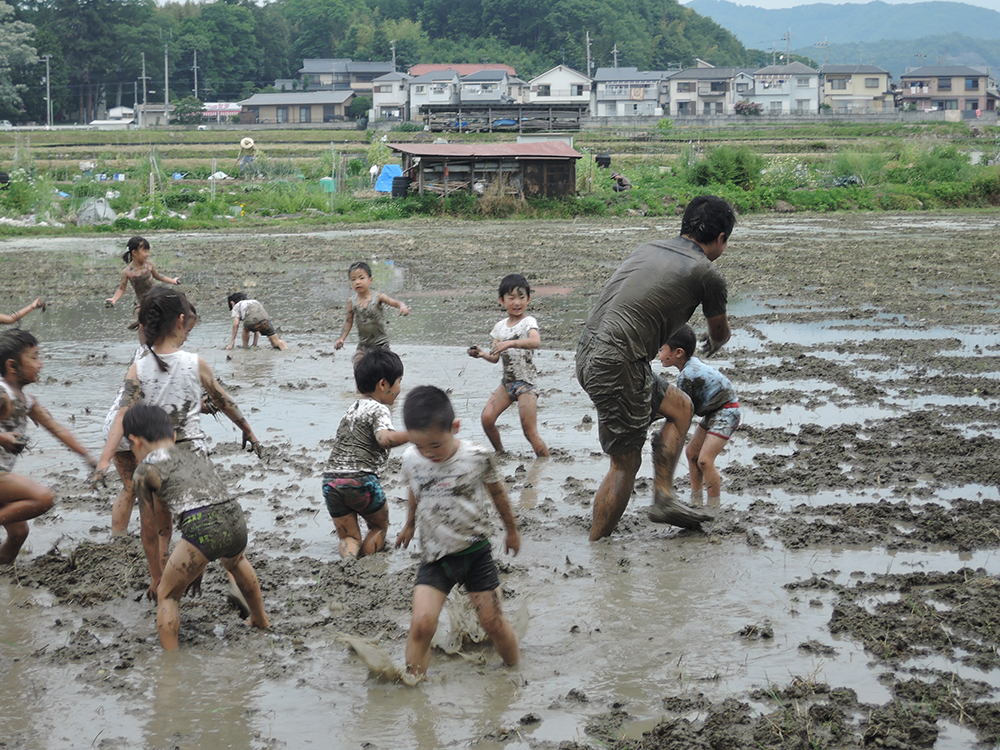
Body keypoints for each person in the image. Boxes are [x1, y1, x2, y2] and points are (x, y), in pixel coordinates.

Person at [575, 195, 736, 540]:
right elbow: (718, 333)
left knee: (681, 406)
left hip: (589, 352)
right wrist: (717, 340)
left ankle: (663, 496)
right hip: (618, 363)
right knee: (624, 463)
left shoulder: (647, 248)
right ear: (721, 238)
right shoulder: (707, 273)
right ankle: (597, 549)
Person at [93, 286, 262, 533]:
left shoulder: (141, 361)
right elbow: (224, 401)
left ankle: (132, 546)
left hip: (127, 431)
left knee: (139, 495)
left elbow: (132, 410)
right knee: (181, 505)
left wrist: (104, 460)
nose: (188, 336)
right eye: (188, 330)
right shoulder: (189, 362)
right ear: (180, 323)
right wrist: (247, 429)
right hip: (149, 436)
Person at [395, 385, 521, 679]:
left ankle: (514, 674)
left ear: (455, 427)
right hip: (435, 558)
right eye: (420, 446)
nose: (428, 454)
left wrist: (512, 530)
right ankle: (412, 686)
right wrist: (410, 524)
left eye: (435, 446)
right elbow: (416, 489)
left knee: (493, 623)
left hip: (475, 554)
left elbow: (498, 493)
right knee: (422, 624)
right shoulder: (412, 459)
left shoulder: (477, 456)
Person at [125, 403, 269, 650]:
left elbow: (149, 532)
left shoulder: (144, 470)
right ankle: (260, 619)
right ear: (172, 436)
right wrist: (196, 566)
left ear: (135, 442)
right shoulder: (192, 454)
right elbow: (207, 497)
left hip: (201, 527)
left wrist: (157, 578)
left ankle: (170, 663)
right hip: (234, 516)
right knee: (235, 561)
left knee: (168, 595)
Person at [0, 330, 95, 564]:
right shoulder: (2, 395)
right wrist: (3, 438)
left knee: (19, 533)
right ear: (12, 366)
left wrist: (88, 457)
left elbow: (57, 429)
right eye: (34, 357)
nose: (40, 364)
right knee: (43, 498)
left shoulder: (26, 400)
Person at [322, 349, 409, 559]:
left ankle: (349, 565)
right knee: (378, 526)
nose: (399, 388)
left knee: (349, 537)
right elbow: (384, 438)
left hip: (331, 482)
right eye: (398, 382)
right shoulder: (378, 409)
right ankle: (369, 569)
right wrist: (414, 435)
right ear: (382, 384)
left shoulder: (351, 409)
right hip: (361, 480)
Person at [657, 325, 740, 507]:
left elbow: (681, 411)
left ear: (678, 352)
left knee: (704, 459)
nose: (658, 354)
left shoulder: (687, 375)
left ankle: (714, 506)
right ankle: (696, 500)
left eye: (662, 349)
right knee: (692, 453)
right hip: (714, 411)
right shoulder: (689, 367)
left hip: (726, 411)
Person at [467, 274, 549, 457]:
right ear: (502, 301)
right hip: (507, 383)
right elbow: (495, 357)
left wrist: (511, 343)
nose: (517, 302)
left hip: (525, 384)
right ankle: (500, 452)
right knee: (487, 419)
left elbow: (535, 342)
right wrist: (481, 354)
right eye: (511, 298)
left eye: (521, 297)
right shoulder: (499, 327)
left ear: (528, 299)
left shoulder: (528, 322)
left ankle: (545, 462)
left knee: (529, 432)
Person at [334, 261, 409, 361]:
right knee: (358, 365)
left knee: (384, 369)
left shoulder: (378, 297)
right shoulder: (352, 302)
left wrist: (402, 307)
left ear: (370, 280)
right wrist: (341, 339)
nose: (357, 282)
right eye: (353, 279)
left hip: (381, 345)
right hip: (363, 345)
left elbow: (396, 303)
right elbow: (348, 321)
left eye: (361, 278)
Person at [104, 236, 180, 310]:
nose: (147, 254)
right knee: (140, 318)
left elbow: (158, 276)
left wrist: (173, 281)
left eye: (148, 251)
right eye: (145, 251)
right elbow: (121, 289)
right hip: (143, 303)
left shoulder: (149, 265)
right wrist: (114, 299)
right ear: (134, 252)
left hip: (156, 298)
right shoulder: (127, 272)